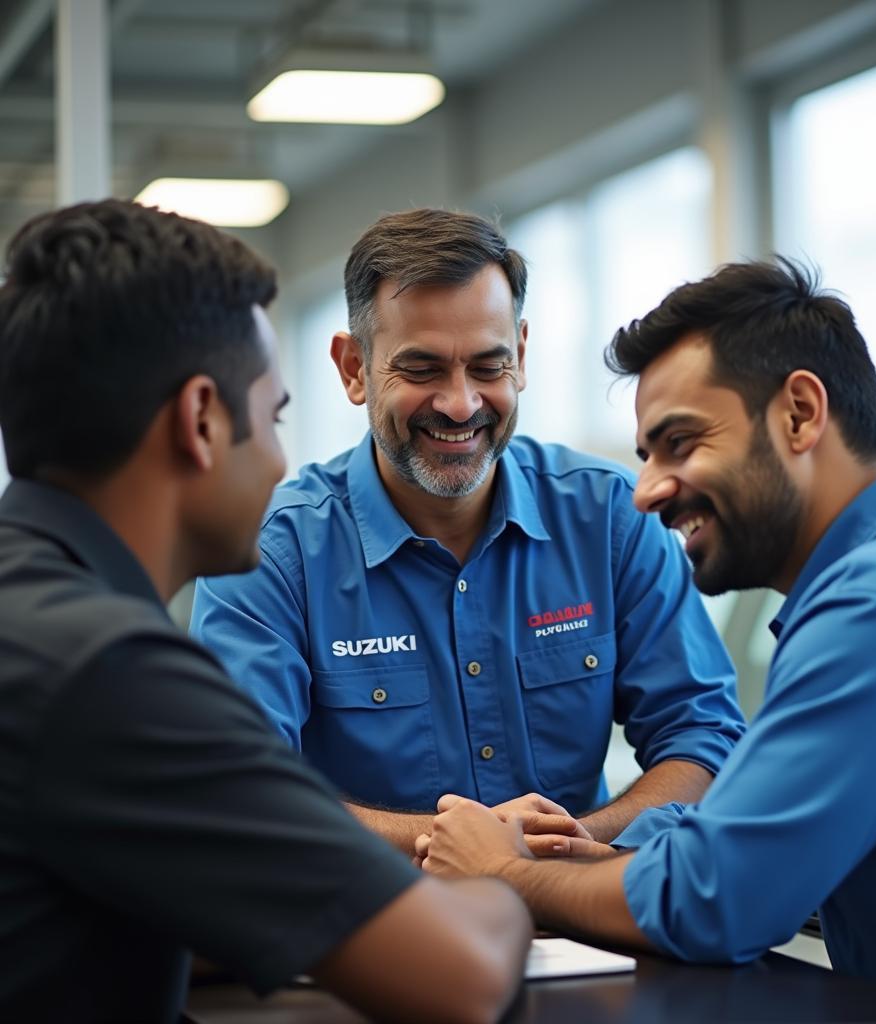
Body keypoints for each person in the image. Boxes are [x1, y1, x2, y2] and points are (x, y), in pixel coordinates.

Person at [415, 258, 876, 1017]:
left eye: (681, 442)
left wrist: (504, 870)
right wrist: (596, 854)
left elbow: (718, 900)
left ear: (800, 413)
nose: (647, 490)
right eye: (647, 455)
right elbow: (743, 817)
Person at [0, 199, 530, 1024]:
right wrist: (505, 871)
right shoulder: (106, 672)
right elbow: (459, 978)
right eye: (274, 415)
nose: (282, 458)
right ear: (202, 420)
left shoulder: (31, 619)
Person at [190, 208, 744, 855]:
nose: (460, 404)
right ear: (353, 368)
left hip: (586, 924)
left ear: (523, 356)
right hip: (368, 931)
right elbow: (242, 788)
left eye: (488, 366)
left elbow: (702, 741)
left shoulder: (611, 517)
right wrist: (459, 847)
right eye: (421, 369)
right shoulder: (271, 554)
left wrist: (563, 846)